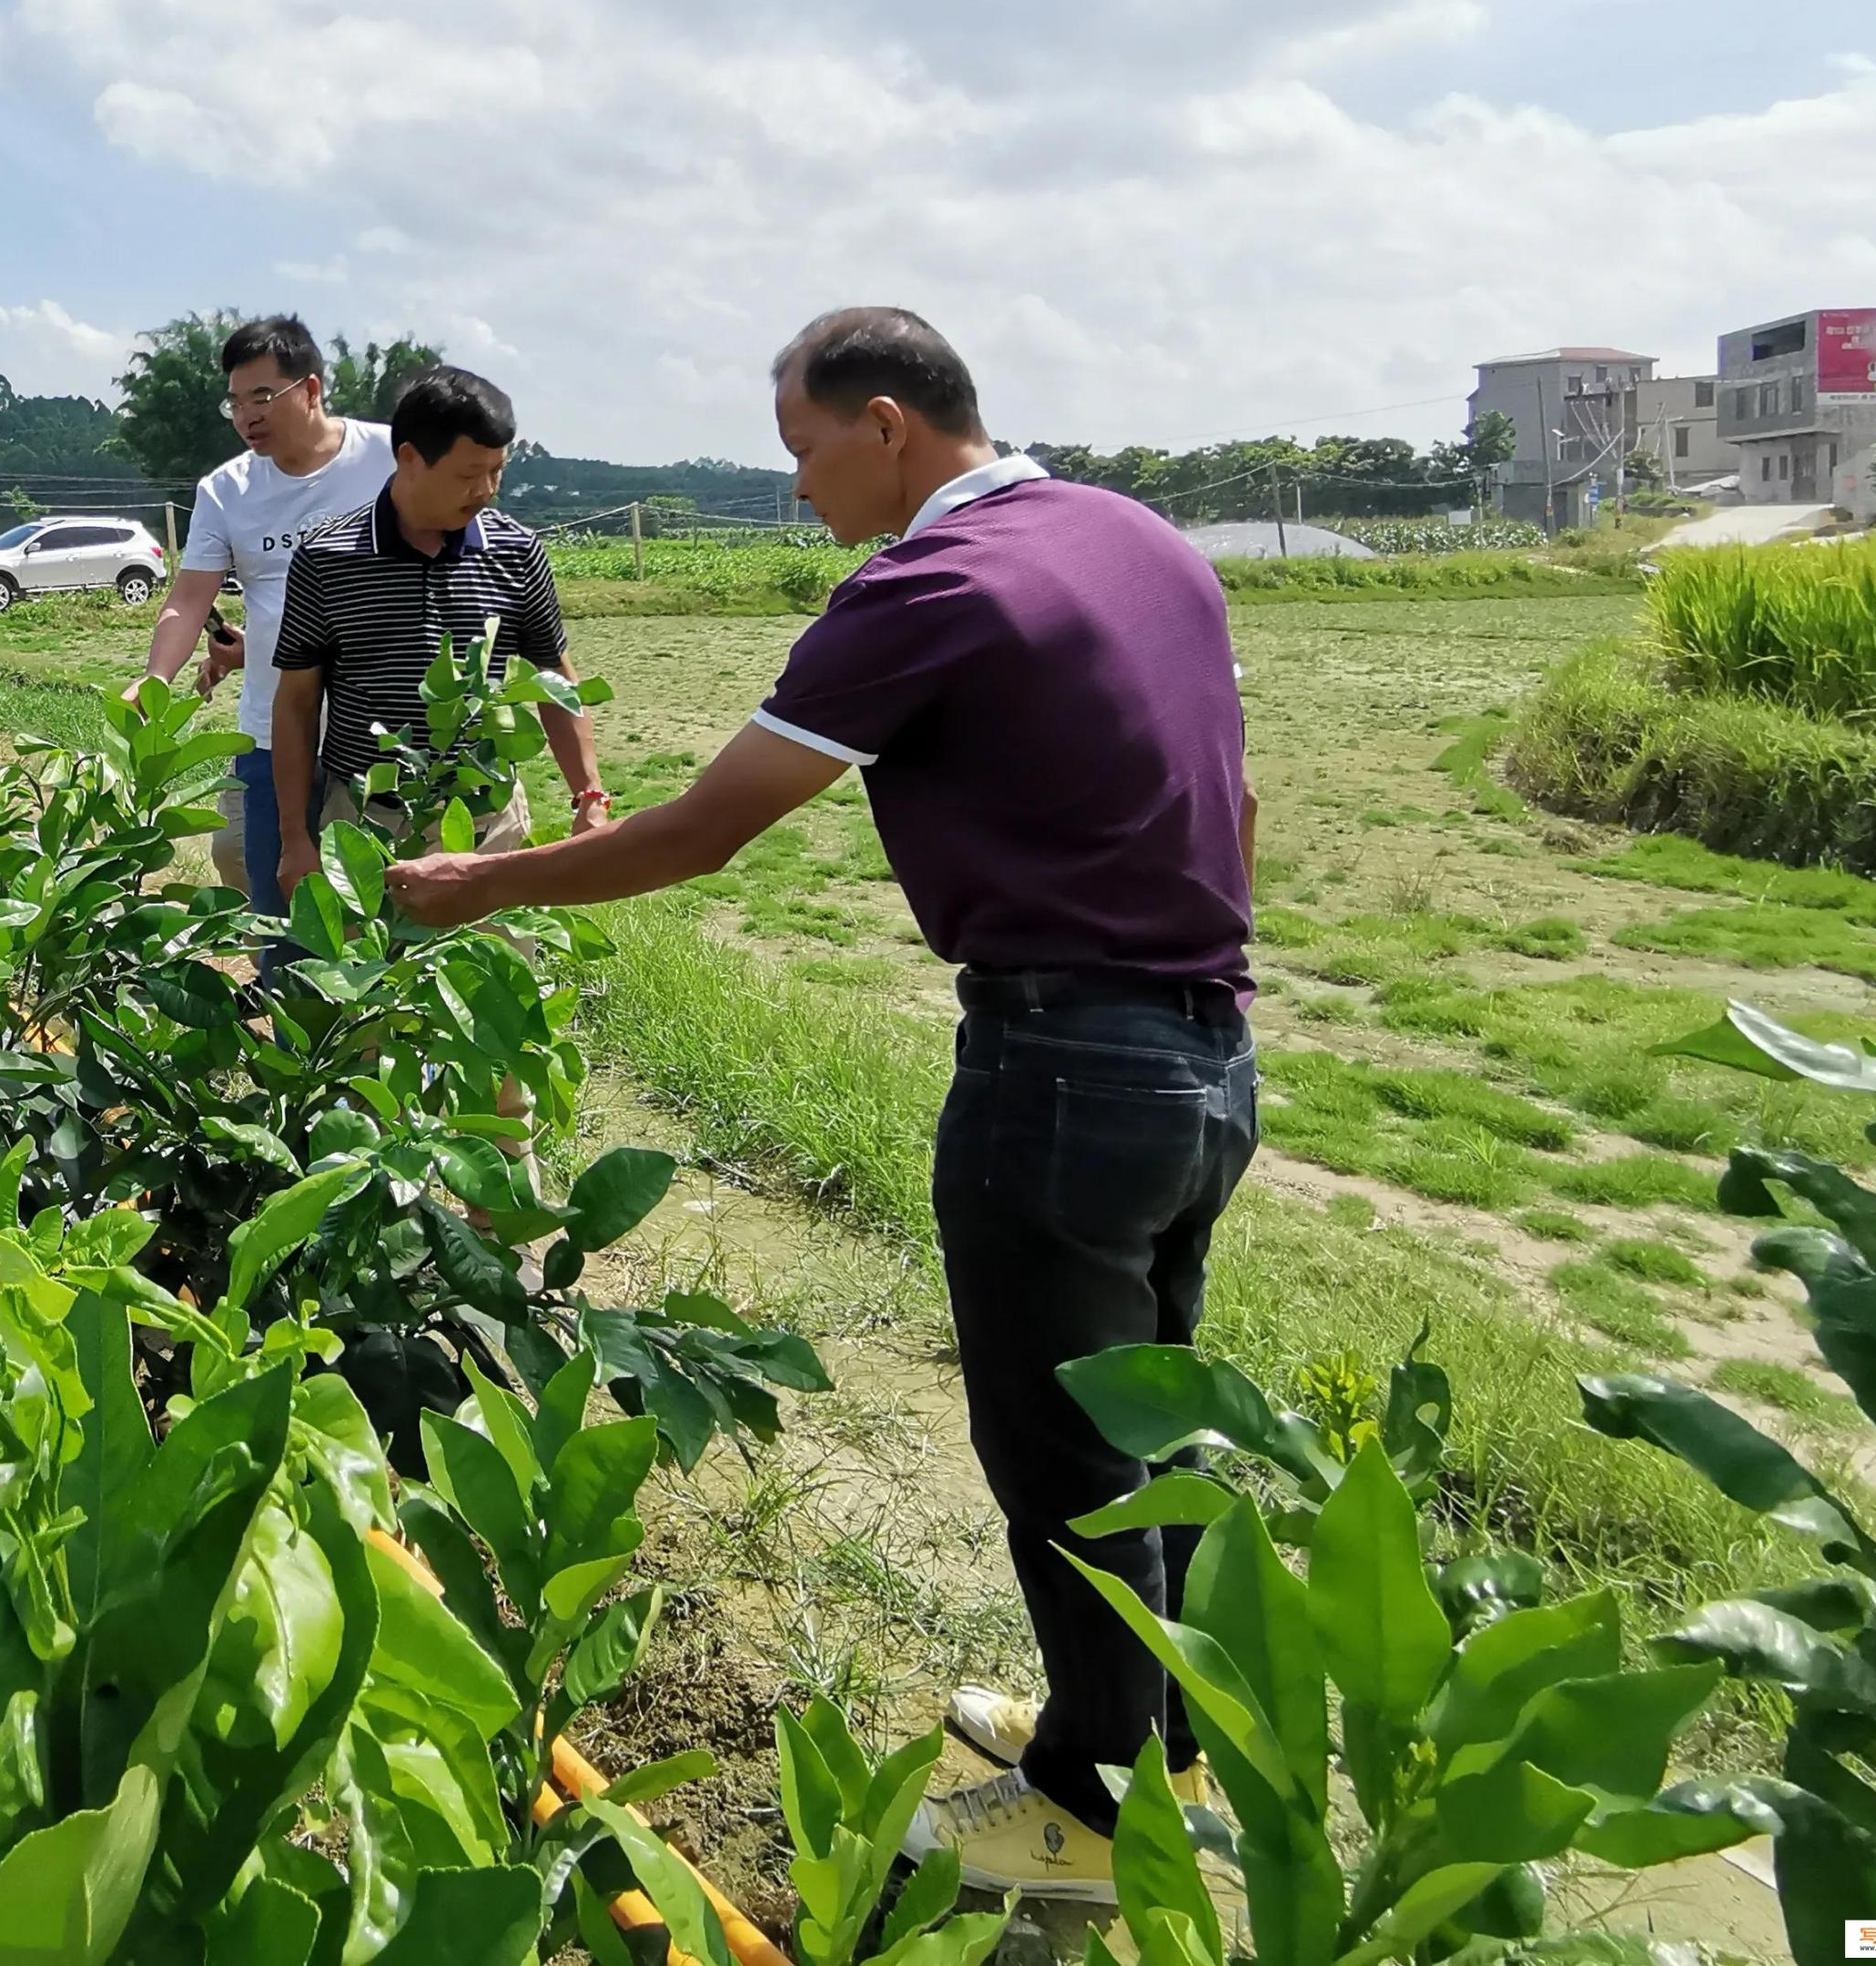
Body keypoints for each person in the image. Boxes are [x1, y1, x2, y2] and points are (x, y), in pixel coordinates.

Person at [382, 308, 1258, 1905]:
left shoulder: (930, 586)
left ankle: (1083, 1809)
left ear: (883, 423)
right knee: (1159, 1421)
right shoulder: (1143, 543)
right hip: (1204, 1057)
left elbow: (711, 826)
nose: (796, 492)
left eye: (799, 454)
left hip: (1058, 1066)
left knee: (1059, 1447)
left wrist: (480, 886)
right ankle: (1150, 1728)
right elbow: (1235, 791)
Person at [270, 365, 613, 889]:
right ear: (409, 457)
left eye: (497, 471)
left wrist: (589, 794)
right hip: (367, 826)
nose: (487, 490)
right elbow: (296, 702)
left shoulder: (516, 552)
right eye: (468, 474)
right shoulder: (327, 559)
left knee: (490, 970)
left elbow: (554, 678)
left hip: (485, 827)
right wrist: (296, 837)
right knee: (371, 970)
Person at [140, 317, 397, 914]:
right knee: (275, 896)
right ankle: (281, 994)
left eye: (262, 396)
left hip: (383, 727)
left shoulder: (388, 457)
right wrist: (154, 677)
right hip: (273, 730)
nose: (245, 415)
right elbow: (188, 598)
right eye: (233, 402)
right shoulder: (226, 490)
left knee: (381, 902)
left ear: (310, 390)